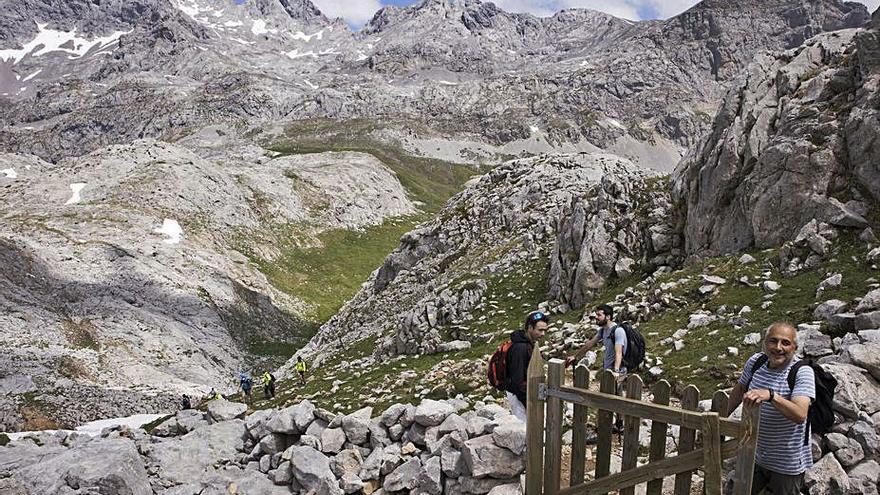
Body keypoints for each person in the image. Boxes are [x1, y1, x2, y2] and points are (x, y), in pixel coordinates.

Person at [726, 322, 815, 495]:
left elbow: (800, 414)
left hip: (786, 462)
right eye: (773, 341)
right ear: (765, 343)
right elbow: (740, 389)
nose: (778, 348)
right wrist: (720, 417)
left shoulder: (801, 372)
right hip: (754, 453)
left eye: (785, 343)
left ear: (795, 347)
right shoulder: (756, 362)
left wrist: (771, 395)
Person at [565, 304, 628, 431]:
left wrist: (616, 371)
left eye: (599, 315)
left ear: (608, 316)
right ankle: (617, 424)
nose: (596, 317)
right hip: (609, 370)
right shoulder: (603, 331)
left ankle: (613, 425)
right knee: (613, 396)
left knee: (613, 398)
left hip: (617, 370)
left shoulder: (618, 331)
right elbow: (590, 344)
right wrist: (575, 356)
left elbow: (619, 352)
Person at [504, 310, 549, 422]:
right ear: (530, 328)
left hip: (525, 393)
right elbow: (517, 382)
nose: (543, 334)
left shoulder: (528, 344)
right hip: (519, 396)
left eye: (545, 330)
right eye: (540, 330)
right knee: (524, 427)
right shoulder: (520, 348)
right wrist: (530, 403)